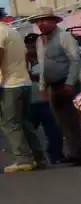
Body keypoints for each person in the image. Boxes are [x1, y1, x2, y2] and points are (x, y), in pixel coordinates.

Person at [30, 7, 81, 166]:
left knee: (73, 120)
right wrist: (42, 86)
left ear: (53, 21)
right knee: (61, 120)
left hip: (67, 83)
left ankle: (80, 153)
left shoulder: (64, 37)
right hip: (53, 85)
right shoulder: (40, 41)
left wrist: (70, 83)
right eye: (38, 21)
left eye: (44, 20)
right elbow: (42, 65)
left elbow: (75, 60)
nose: (41, 24)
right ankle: (73, 150)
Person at [1, 23, 47, 173]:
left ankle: (23, 158)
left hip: (9, 84)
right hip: (23, 81)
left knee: (10, 122)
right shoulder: (11, 32)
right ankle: (38, 156)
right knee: (23, 121)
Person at [25, 33, 65, 164]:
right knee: (29, 133)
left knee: (54, 131)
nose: (32, 48)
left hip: (46, 101)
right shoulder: (22, 63)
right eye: (29, 45)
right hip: (29, 102)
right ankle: (35, 157)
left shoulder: (47, 60)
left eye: (34, 45)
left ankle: (56, 156)